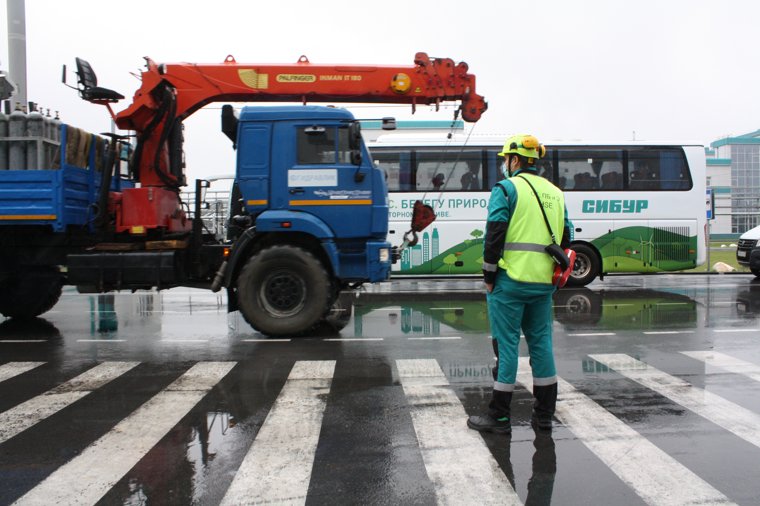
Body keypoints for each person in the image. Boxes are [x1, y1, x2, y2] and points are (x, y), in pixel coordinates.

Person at [467, 134, 571, 435]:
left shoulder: (506, 188)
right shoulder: (555, 192)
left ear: (514, 160)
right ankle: (544, 416)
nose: (504, 165)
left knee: (508, 345)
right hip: (543, 283)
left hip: (510, 281)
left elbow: (495, 232)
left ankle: (499, 417)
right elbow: (566, 236)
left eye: (505, 160)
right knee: (541, 344)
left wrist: (488, 276)